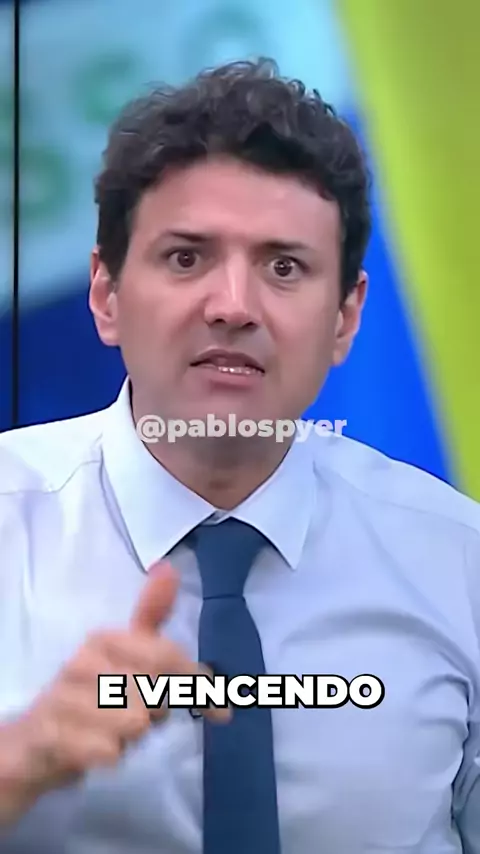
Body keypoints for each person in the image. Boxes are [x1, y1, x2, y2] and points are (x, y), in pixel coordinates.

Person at [1, 57, 480, 854]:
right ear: (106, 294)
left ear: (345, 318)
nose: (233, 306)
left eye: (284, 267)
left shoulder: (459, 561)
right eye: (186, 257)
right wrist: (19, 761)